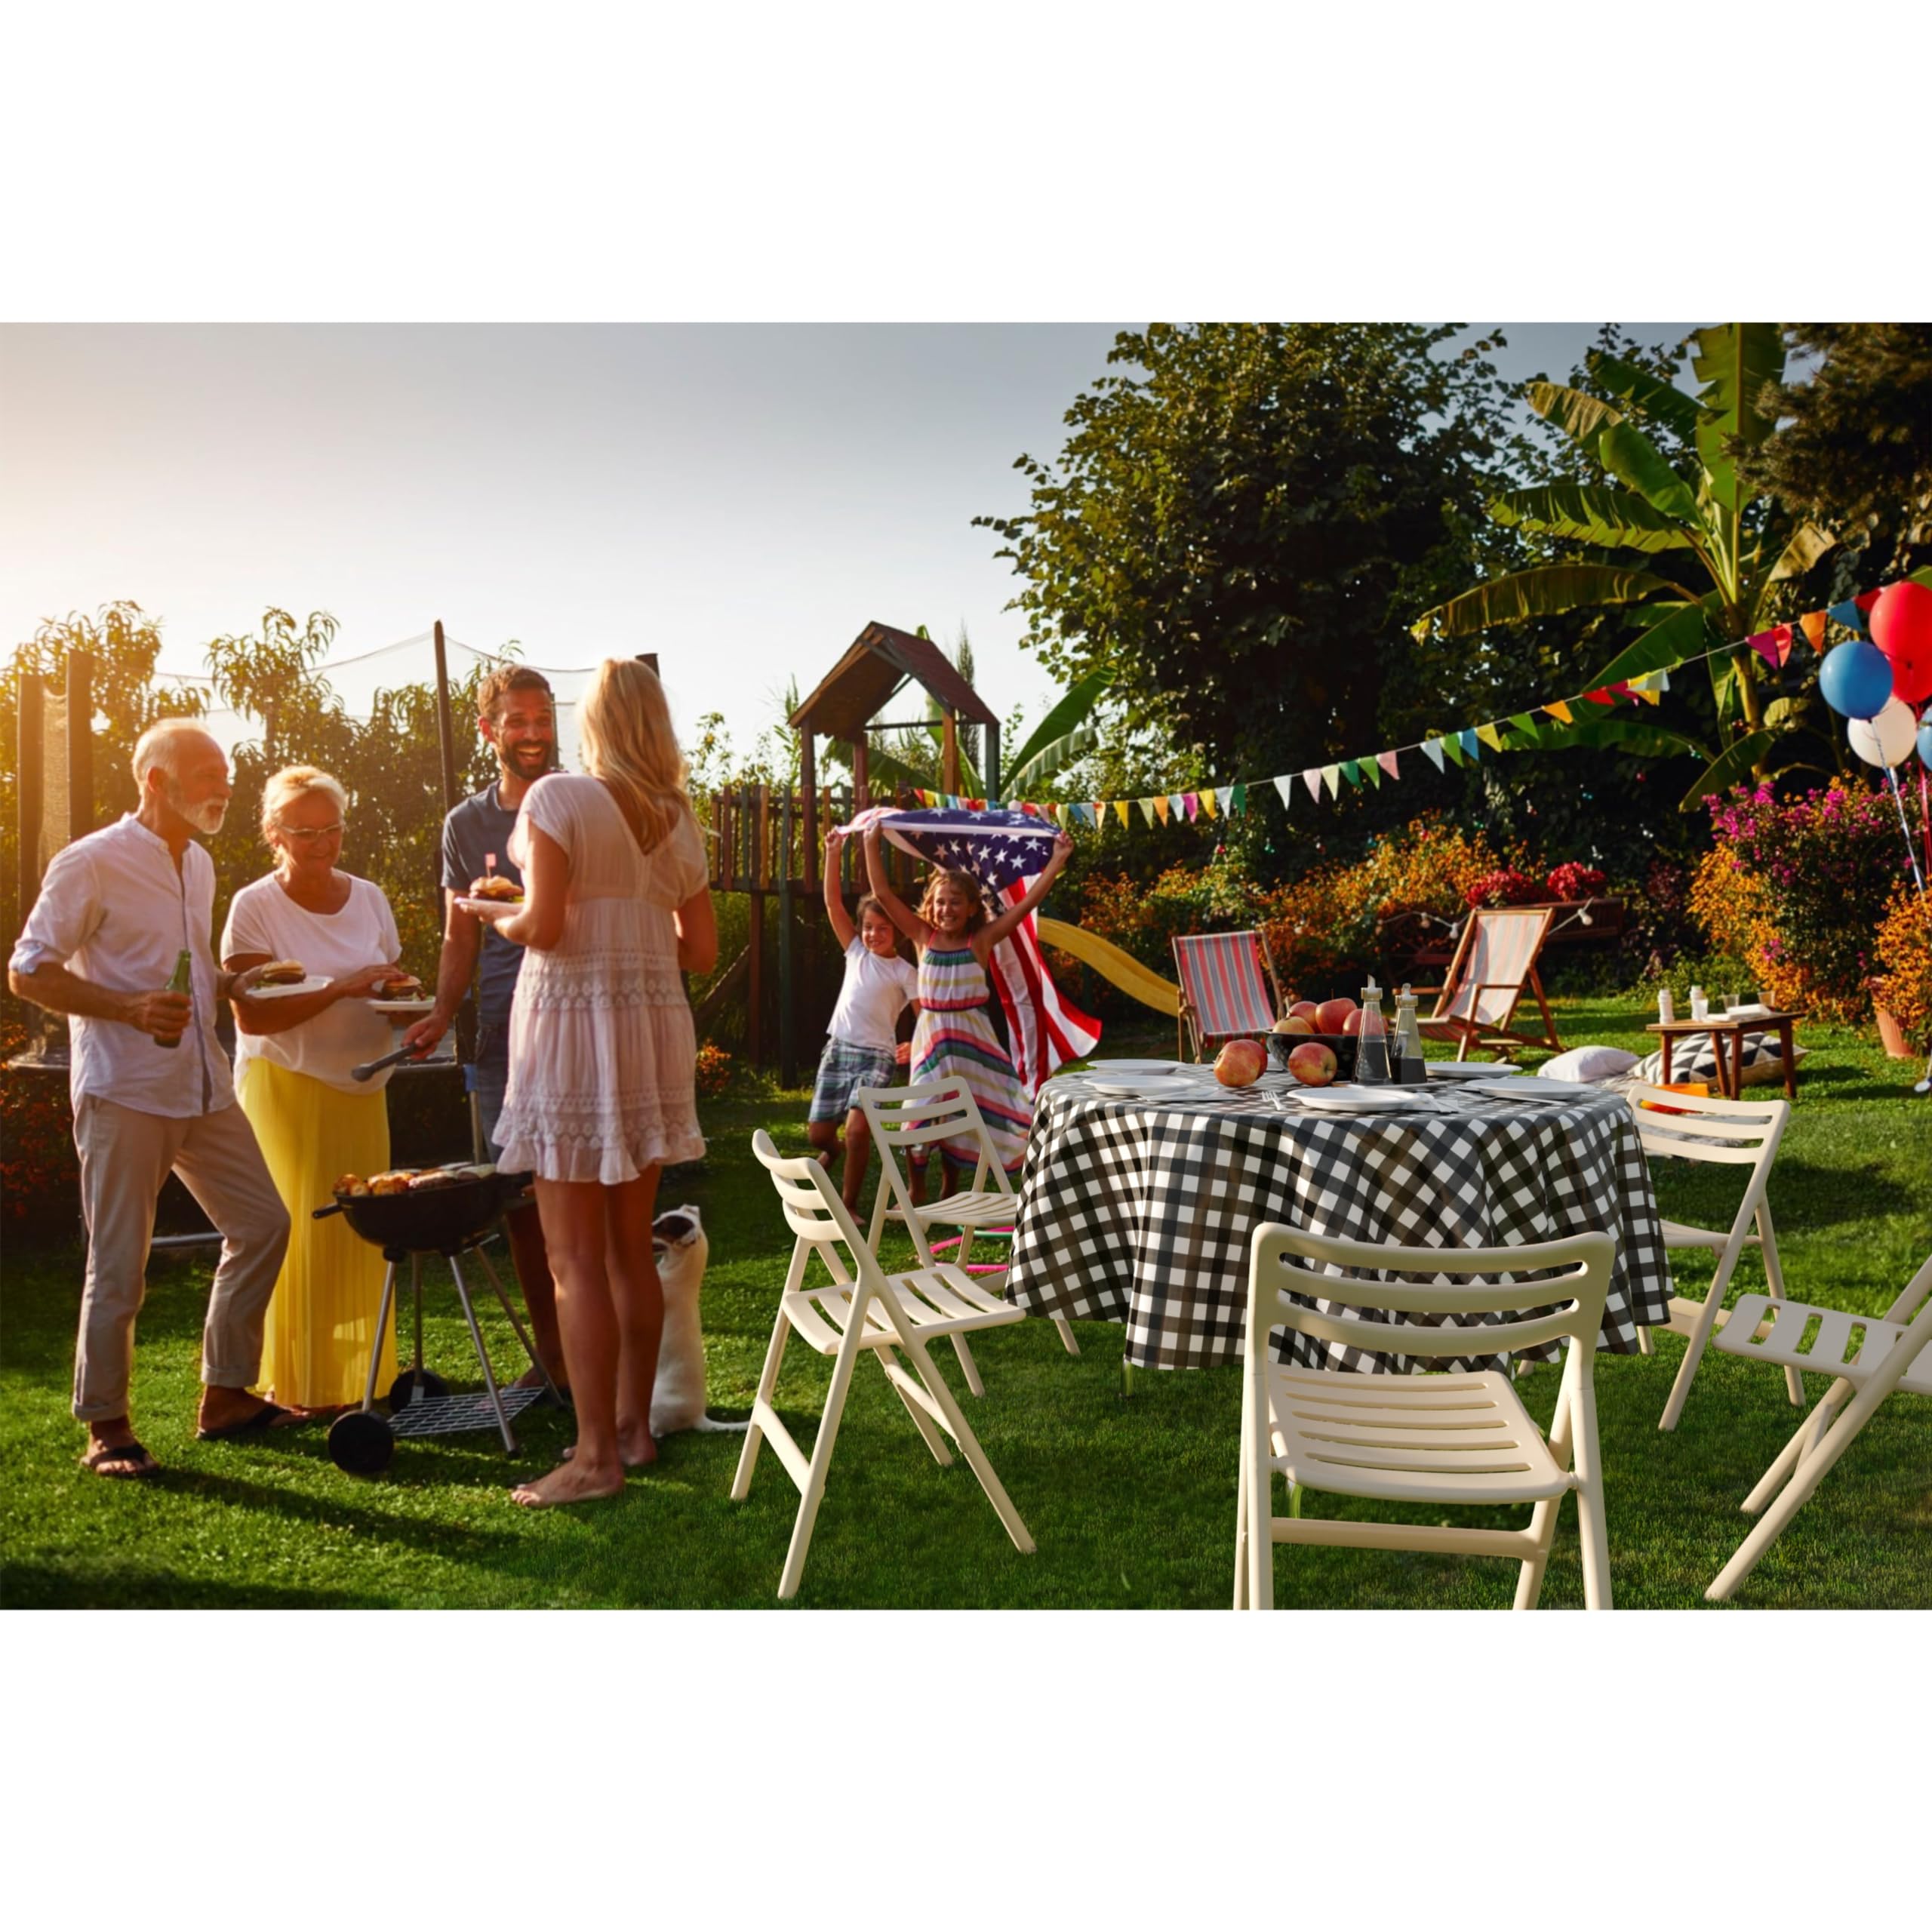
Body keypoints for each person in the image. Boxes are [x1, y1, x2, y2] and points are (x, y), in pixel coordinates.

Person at [7, 719, 295, 1478]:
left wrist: (236, 983)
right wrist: (128, 1008)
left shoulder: (196, 863)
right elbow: (28, 972)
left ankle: (226, 1394)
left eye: (225, 773)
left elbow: (186, 967)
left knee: (264, 1223)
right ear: (156, 781)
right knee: (120, 1263)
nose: (222, 786)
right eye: (207, 774)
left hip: (202, 1084)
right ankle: (107, 1426)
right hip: (125, 1090)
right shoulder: (91, 862)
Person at [472, 657, 715, 1508]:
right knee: (625, 1251)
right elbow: (702, 952)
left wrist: (486, 913)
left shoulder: (558, 800)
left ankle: (591, 1459)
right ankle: (636, 1432)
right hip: (651, 1029)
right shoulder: (679, 820)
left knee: (573, 1257)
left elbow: (537, 924)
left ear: (595, 723)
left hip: (573, 1028)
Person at [221, 766, 408, 1412]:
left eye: (331, 829)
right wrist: (340, 988)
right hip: (287, 1086)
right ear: (274, 833)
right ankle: (295, 1381)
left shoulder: (370, 897)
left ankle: (358, 1380)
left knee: (360, 1228)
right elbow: (252, 1015)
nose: (322, 843)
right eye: (305, 832)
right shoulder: (255, 905)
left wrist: (408, 1009)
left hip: (363, 1085)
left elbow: (384, 984)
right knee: (297, 1231)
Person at [401, 666, 565, 1392]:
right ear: (489, 729)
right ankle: (555, 1360)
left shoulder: (580, 800)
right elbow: (457, 935)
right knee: (521, 1202)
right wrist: (441, 1011)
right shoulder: (464, 826)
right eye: (518, 721)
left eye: (543, 719)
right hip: (501, 1033)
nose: (533, 734)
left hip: (574, 1020)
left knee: (586, 1194)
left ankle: (614, 1361)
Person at [862, 824, 1072, 1197]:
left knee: (971, 1113)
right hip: (933, 1040)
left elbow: (1025, 906)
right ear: (931, 905)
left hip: (975, 1041)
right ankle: (916, 1189)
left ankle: (951, 1186)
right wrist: (870, 843)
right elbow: (882, 894)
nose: (948, 909)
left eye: (957, 902)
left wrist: (1055, 862)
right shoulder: (923, 937)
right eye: (941, 902)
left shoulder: (982, 939)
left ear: (972, 907)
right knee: (921, 1109)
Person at [808, 828, 918, 1211]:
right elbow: (832, 902)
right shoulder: (855, 952)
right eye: (869, 927)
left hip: (877, 1057)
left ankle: (849, 1204)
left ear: (898, 933)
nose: (873, 934)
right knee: (819, 1135)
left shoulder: (906, 972)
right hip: (838, 1050)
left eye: (883, 928)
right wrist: (833, 852)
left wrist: (917, 1044)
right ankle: (832, 1153)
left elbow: (926, 1016)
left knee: (858, 1132)